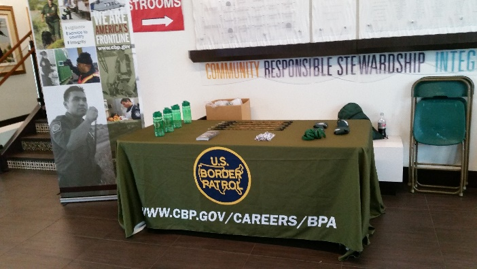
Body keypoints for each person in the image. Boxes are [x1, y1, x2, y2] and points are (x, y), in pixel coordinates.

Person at [50, 86, 102, 187]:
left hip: (90, 180)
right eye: (76, 99)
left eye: (84, 100)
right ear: (66, 104)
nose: (82, 103)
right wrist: (88, 120)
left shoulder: (84, 124)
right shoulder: (59, 123)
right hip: (71, 183)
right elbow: (70, 144)